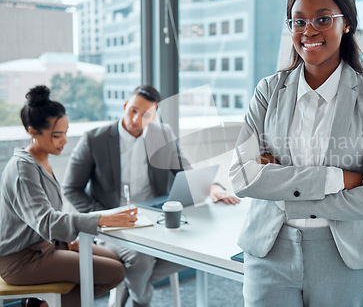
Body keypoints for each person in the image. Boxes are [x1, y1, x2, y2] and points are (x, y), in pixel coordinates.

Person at [229, 0, 363, 306]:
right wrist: (339, 179)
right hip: (269, 252)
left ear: (346, 23)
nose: (309, 31)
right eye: (298, 21)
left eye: (323, 19)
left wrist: (281, 189)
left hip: (345, 257)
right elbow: (241, 176)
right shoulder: (267, 91)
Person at [63, 85, 239, 307]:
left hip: (153, 220)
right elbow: (71, 188)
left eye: (145, 114)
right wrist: (105, 216)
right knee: (141, 258)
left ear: (153, 116)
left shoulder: (162, 134)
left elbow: (185, 171)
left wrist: (213, 186)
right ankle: (142, 300)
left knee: (197, 249)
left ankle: (130, 284)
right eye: (133, 110)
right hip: (114, 223)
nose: (136, 118)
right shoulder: (94, 139)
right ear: (125, 106)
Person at [0, 85, 138, 307]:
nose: (64, 140)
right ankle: (40, 305)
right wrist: (100, 219)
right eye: (57, 135)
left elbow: (44, 217)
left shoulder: (41, 159)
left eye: (65, 132)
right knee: (115, 272)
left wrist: (65, 239)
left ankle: (48, 303)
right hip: (22, 260)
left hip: (47, 245)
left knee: (115, 261)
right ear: (32, 131)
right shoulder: (23, 170)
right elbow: (46, 221)